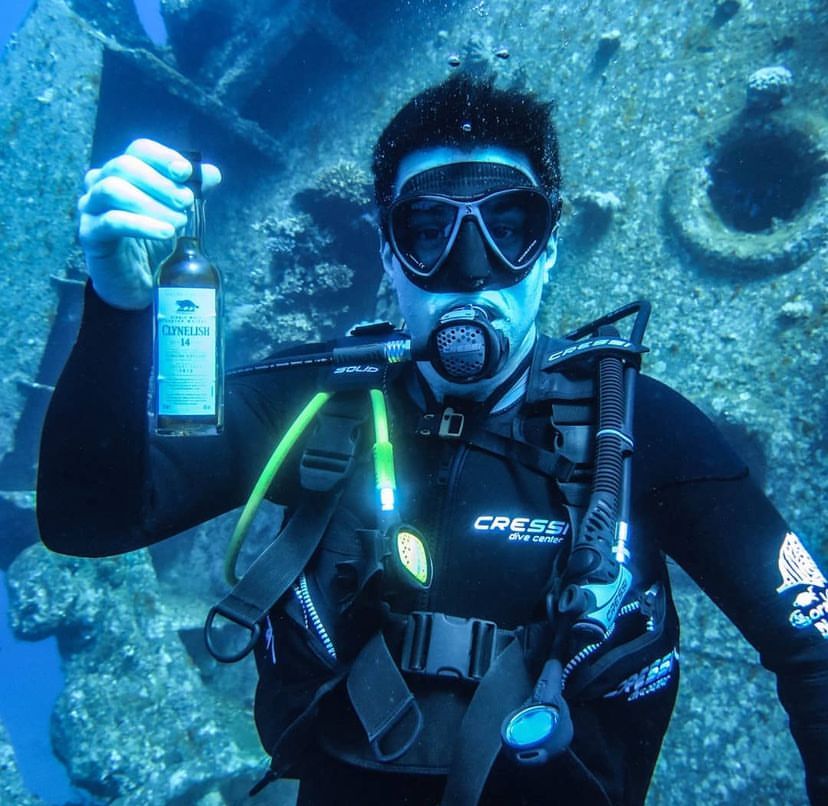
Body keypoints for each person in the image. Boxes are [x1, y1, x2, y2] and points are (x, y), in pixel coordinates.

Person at [37, 74, 828, 806]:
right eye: (428, 231)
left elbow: (814, 648)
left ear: (548, 249)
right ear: (389, 252)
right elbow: (89, 520)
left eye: (509, 228)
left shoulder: (638, 428)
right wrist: (119, 305)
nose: (471, 270)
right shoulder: (318, 402)